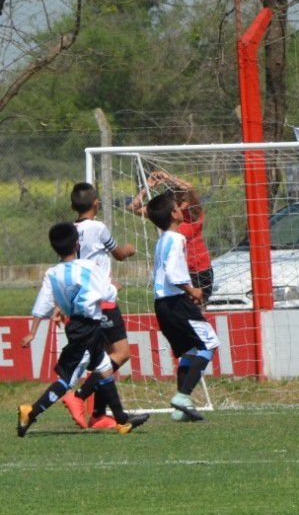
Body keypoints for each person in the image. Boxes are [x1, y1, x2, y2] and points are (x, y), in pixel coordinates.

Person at [17, 223, 149, 436]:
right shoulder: (87, 267)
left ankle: (122, 420)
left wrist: (33, 331)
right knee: (67, 382)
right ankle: (31, 411)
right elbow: (107, 294)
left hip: (78, 326)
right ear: (77, 244)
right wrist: (114, 288)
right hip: (87, 329)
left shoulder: (52, 273)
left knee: (105, 368)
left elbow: (42, 305)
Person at [61, 183, 136, 430]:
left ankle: (98, 414)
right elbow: (119, 254)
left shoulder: (69, 231)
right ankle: (79, 396)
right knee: (121, 353)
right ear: (96, 203)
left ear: (73, 205)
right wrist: (129, 249)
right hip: (102, 300)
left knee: (104, 356)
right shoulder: (99, 228)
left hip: (79, 302)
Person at [146, 192, 220, 421]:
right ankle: (183, 397)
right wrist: (192, 291)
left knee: (190, 350)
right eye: (178, 207)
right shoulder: (177, 239)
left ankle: (180, 410)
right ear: (174, 213)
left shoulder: (162, 240)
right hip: (176, 300)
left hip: (162, 303)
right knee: (210, 343)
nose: (181, 209)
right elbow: (173, 271)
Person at [129, 171, 213, 303]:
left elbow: (189, 188)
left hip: (200, 271)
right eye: (179, 197)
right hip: (177, 271)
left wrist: (168, 178)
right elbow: (133, 207)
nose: (184, 201)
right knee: (183, 311)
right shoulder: (167, 214)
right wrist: (148, 186)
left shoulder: (194, 212)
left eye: (185, 198)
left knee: (196, 309)